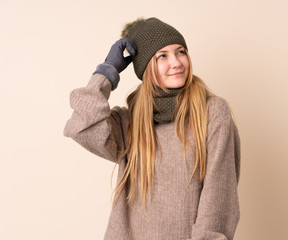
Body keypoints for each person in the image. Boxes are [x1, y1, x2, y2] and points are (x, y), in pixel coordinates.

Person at [64, 17, 241, 240]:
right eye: (162, 56)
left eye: (181, 52)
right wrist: (105, 73)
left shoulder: (212, 113)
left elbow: (219, 203)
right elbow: (83, 128)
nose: (176, 62)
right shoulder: (131, 121)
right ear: (146, 67)